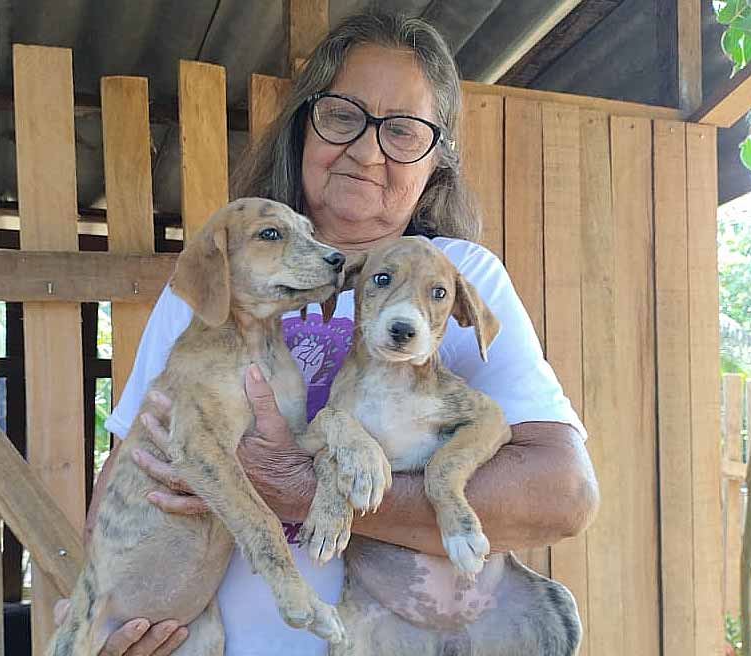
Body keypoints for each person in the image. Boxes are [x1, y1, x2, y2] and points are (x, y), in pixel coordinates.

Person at [61, 11, 599, 656]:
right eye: (342, 116)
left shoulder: (452, 276)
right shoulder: (219, 282)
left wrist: (305, 489)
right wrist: (107, 615)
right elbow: (127, 478)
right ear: (302, 128)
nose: (368, 151)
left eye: (403, 131)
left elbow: (558, 496)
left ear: (435, 161)